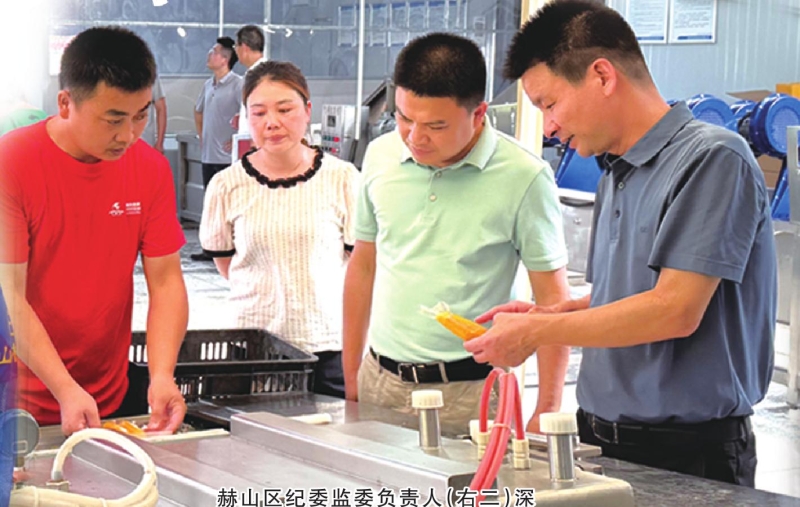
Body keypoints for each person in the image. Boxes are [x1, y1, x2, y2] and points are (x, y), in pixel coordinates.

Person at [465, 0, 775, 487]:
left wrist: (537, 333)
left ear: (602, 76)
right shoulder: (616, 169)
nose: (548, 126)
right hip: (599, 437)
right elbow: (627, 296)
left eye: (549, 104)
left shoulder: (713, 159)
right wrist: (554, 313)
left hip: (687, 452)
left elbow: (675, 310)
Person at [343, 32, 570, 432]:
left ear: (478, 113)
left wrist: (546, 408)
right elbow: (363, 266)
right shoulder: (380, 155)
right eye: (404, 118)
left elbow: (552, 300)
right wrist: (351, 378)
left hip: (471, 392)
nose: (415, 138)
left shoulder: (525, 177)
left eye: (436, 125)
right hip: (380, 381)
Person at [0, 26, 189, 436]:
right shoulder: (12, 162)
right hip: (15, 400)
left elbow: (166, 281)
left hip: (107, 393)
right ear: (66, 103)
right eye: (113, 119)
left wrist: (162, 375)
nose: (129, 135)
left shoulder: (150, 170)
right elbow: (8, 293)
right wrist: (65, 388)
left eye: (140, 115)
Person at [198, 61, 358, 398]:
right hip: (253, 344)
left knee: (333, 428)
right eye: (258, 113)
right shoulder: (226, 185)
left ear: (307, 111)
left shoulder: (342, 178)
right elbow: (227, 264)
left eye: (285, 110)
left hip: (327, 344)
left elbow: (357, 261)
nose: (272, 122)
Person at [191, 36, 243, 262]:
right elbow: (198, 111)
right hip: (209, 155)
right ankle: (211, 247)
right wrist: (202, 135)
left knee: (229, 203)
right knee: (211, 202)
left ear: (225, 59)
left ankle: (232, 247)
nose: (209, 54)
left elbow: (248, 114)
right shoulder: (208, 84)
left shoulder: (238, 84)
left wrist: (237, 138)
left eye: (213, 51)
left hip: (227, 158)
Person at [232, 25, 266, 140]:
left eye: (236, 46)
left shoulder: (261, 76)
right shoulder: (255, 73)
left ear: (244, 48)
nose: (235, 51)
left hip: (255, 142)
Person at [140, 75, 167, 153]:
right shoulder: (116, 75)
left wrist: (160, 143)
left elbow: (161, 109)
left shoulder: (150, 76)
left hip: (146, 142)